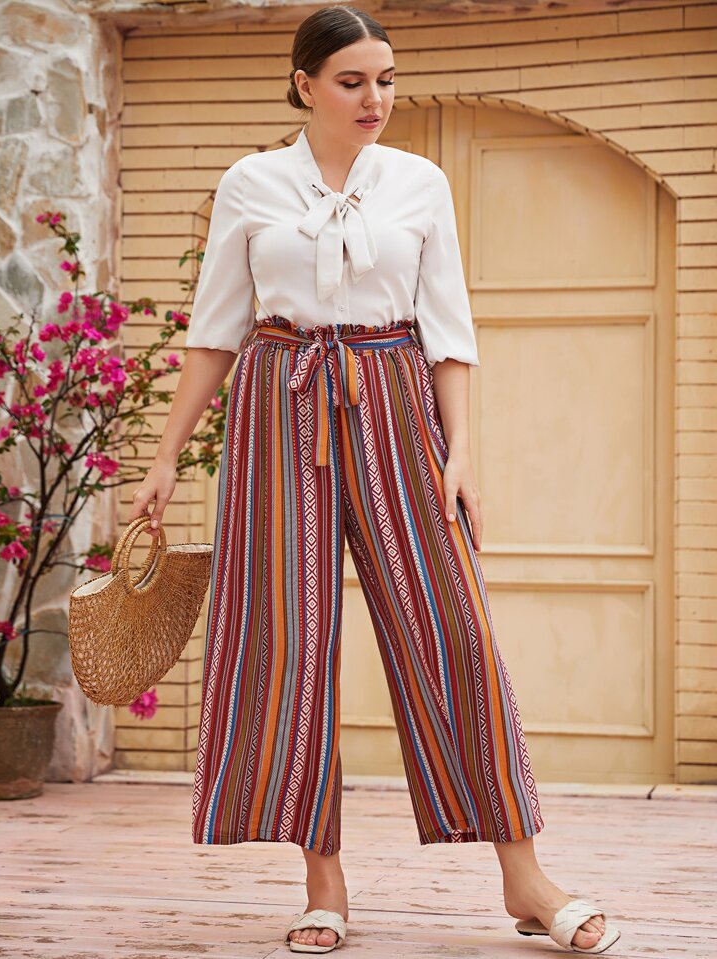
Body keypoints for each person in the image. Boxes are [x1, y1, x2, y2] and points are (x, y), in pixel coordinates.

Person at [128, 5, 620, 956]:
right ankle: (324, 882)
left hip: (396, 396)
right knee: (291, 639)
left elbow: (450, 328)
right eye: (353, 81)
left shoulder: (420, 182)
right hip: (280, 401)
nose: (375, 98)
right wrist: (163, 456)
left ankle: (523, 875)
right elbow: (216, 330)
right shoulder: (250, 183)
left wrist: (460, 451)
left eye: (386, 79)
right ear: (305, 85)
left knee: (453, 628)